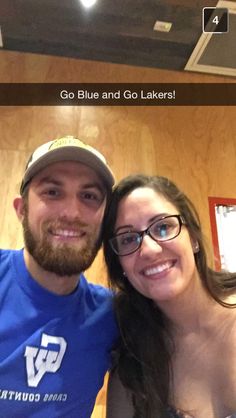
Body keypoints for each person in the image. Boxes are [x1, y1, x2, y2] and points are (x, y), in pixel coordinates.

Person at [0, 135, 118, 417]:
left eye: (89, 196)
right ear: (21, 209)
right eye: (53, 192)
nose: (71, 212)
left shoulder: (114, 316)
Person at [103, 174, 236, 418]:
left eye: (163, 227)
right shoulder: (133, 365)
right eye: (129, 239)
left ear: (193, 238)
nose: (150, 250)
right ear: (120, 263)